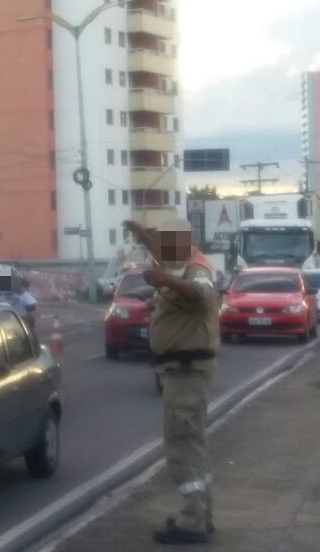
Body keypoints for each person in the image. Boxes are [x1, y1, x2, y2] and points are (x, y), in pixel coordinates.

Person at [123, 217, 220, 545]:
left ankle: (192, 520)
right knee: (193, 444)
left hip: (186, 369)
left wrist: (164, 280)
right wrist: (143, 237)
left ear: (180, 242)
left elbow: (202, 294)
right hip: (180, 369)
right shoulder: (182, 266)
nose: (160, 253)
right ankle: (201, 515)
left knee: (182, 444)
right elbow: (168, 269)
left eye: (165, 245)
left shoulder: (196, 269)